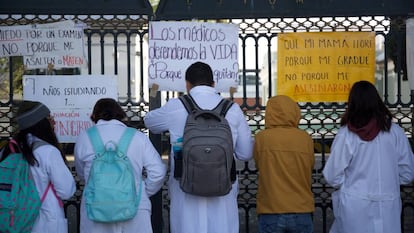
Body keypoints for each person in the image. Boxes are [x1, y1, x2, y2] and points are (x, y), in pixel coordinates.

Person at [144, 61, 254, 233]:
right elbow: (245, 153)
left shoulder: (175, 106)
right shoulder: (232, 109)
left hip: (185, 190)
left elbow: (149, 122)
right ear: (213, 84)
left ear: (187, 84)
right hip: (223, 192)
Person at [322, 80, 414, 233]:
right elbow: (407, 173)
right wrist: (389, 181)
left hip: (354, 206)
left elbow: (332, 175)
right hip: (388, 206)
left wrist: (351, 183)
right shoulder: (395, 132)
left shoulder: (347, 134)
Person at [74, 98, 166, 233]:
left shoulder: (84, 137)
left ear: (94, 116)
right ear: (121, 114)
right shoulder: (138, 137)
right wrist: (142, 191)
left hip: (95, 206)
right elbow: (158, 172)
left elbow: (81, 172)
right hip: (135, 207)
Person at [1, 100, 76, 233]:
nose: (53, 122)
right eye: (49, 118)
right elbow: (66, 191)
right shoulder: (48, 151)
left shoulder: (8, 149)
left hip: (14, 219)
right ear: (40, 123)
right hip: (45, 221)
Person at [253, 95, 315, 233]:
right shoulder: (305, 139)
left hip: (271, 209)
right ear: (294, 112)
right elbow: (310, 166)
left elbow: (259, 165)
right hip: (301, 208)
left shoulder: (262, 138)